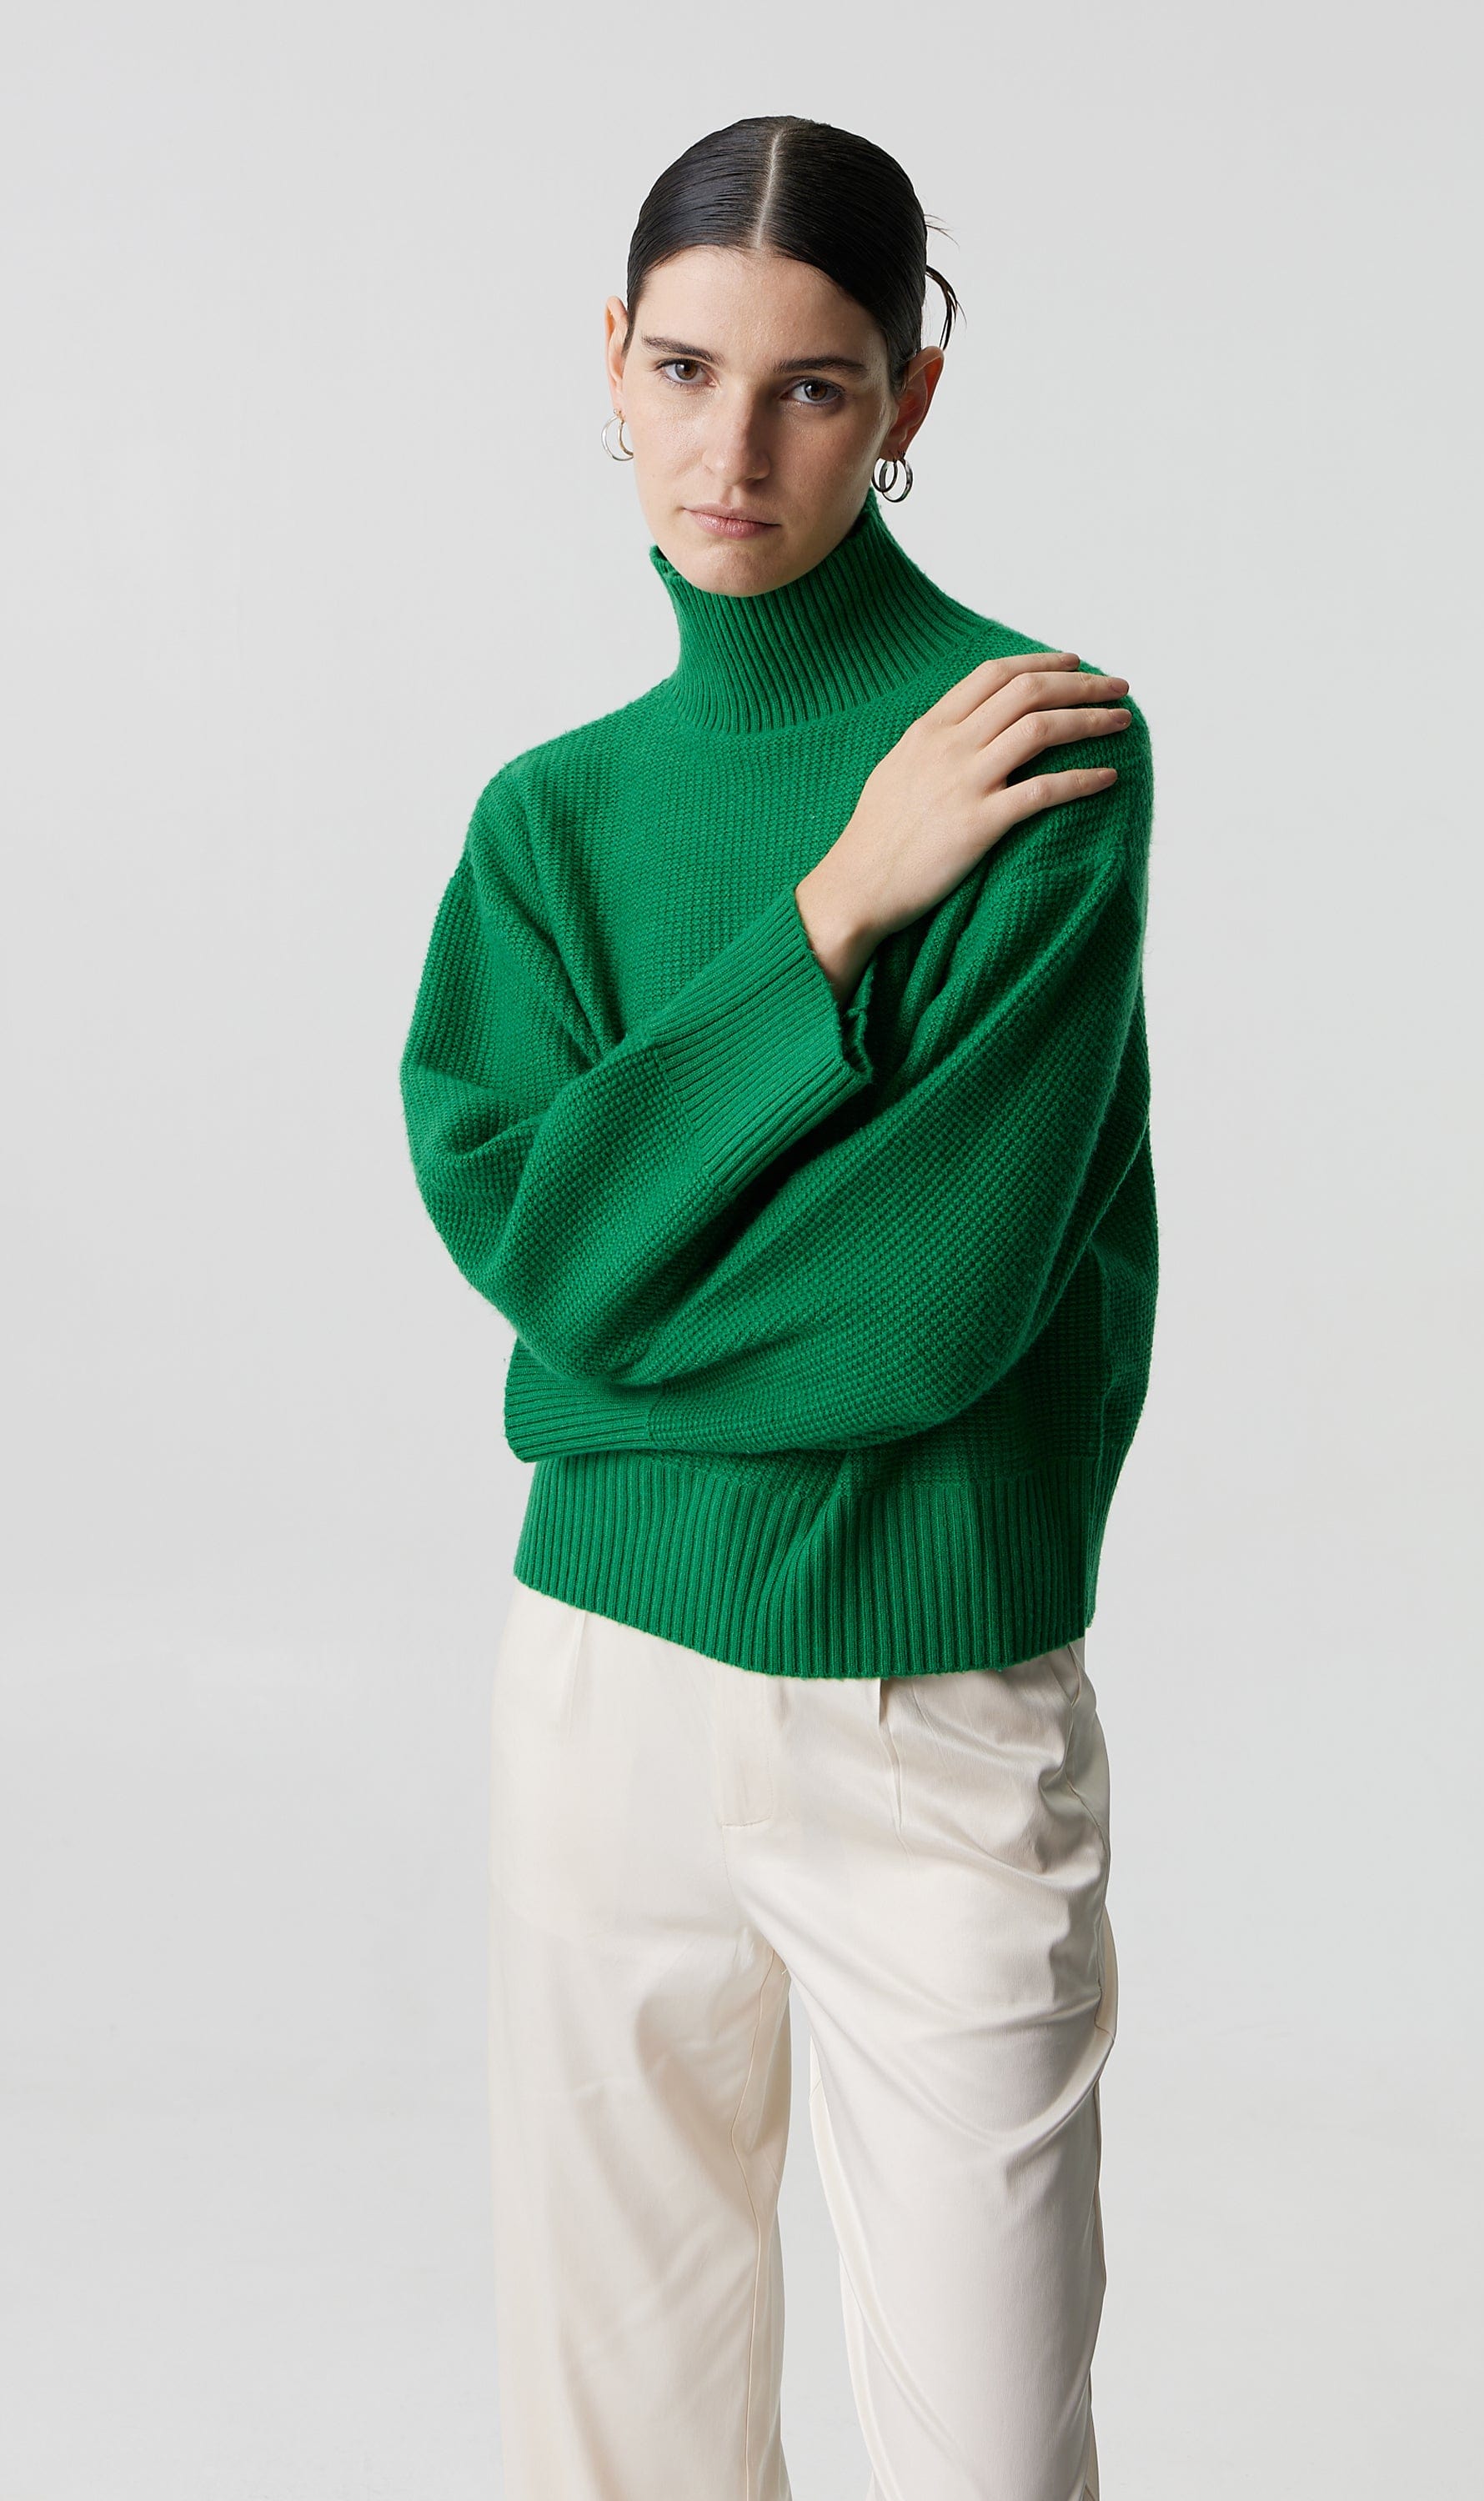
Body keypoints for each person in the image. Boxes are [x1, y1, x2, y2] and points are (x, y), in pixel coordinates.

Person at [399, 111, 1156, 2501]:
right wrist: (835, 909)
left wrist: (604, 1355)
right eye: (688, 372)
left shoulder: (1039, 750)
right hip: (600, 1702)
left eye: (813, 387)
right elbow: (534, 1240)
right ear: (612, 361)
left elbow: (931, 1309)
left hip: (929, 1708)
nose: (733, 451)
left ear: (910, 395)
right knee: (615, 2452)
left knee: (986, 2459)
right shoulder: (550, 821)